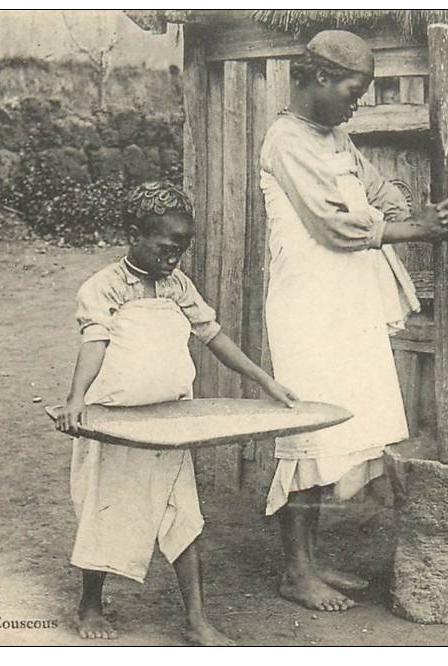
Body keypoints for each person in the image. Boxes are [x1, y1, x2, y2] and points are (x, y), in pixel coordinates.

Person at [259, 30, 448, 612]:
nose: (358, 104)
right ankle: (295, 572)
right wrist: (414, 228)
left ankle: (310, 559)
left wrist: (396, 207)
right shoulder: (286, 141)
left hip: (344, 302)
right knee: (310, 431)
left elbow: (376, 190)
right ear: (319, 78)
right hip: (308, 306)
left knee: (341, 429)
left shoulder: (334, 138)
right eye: (354, 90)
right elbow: (335, 227)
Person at [54, 181, 297, 645]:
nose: (174, 257)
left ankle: (197, 619)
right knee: (106, 511)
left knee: (184, 515)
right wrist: (77, 401)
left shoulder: (178, 285)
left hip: (169, 423)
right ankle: (90, 603)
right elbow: (95, 342)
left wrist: (263, 380)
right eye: (167, 246)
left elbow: (214, 336)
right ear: (134, 234)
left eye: (182, 248)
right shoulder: (103, 287)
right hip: (116, 423)